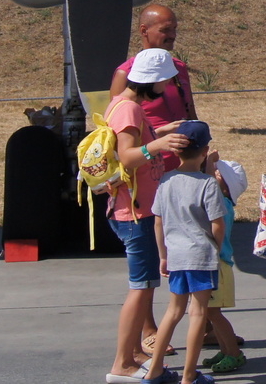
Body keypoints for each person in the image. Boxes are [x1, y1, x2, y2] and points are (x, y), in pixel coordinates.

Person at [104, 48, 191, 383]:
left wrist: (161, 130)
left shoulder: (127, 106)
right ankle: (122, 364)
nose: (168, 86)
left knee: (146, 285)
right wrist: (160, 144)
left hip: (136, 209)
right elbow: (127, 157)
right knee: (139, 288)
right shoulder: (127, 109)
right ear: (151, 82)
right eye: (166, 81)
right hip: (134, 212)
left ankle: (136, 353)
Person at [146, 120, 225, 384]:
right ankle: (189, 376)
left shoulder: (166, 180)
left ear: (176, 150)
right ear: (205, 151)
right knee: (198, 313)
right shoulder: (208, 184)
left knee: (173, 311)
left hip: (176, 255)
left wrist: (163, 255)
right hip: (202, 256)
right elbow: (217, 225)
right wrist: (217, 248)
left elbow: (158, 221)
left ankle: (154, 370)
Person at [110, 5, 198, 146]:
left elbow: (190, 111)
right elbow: (115, 128)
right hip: (147, 161)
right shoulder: (126, 73)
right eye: (165, 30)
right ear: (144, 30)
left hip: (183, 161)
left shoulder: (179, 68)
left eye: (174, 29)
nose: (173, 35)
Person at [201, 159, 247, 375]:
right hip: (220, 264)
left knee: (214, 313)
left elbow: (209, 180)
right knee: (210, 312)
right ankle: (226, 349)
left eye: (218, 174)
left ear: (226, 185)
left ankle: (234, 353)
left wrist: (209, 161)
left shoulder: (221, 202)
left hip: (217, 265)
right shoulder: (224, 202)